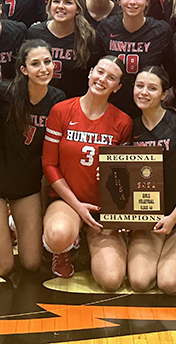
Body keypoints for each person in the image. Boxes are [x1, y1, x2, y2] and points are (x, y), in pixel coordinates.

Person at [41, 56, 133, 287]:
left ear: (117, 87)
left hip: (102, 205)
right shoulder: (61, 110)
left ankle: (89, 242)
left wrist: (121, 210)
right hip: (68, 200)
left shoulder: (123, 122)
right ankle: (65, 247)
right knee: (58, 235)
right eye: (100, 72)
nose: (102, 79)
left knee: (111, 280)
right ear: (90, 72)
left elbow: (122, 173)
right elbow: (49, 165)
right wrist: (78, 207)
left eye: (111, 78)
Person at [0, 40, 66, 276]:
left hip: (27, 187)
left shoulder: (58, 100)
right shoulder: (3, 94)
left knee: (32, 263)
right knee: (3, 267)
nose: (43, 69)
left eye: (47, 62)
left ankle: (8, 229)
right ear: (23, 69)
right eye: (35, 64)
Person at [128, 67, 176, 294]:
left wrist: (173, 218)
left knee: (168, 283)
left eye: (152, 88)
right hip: (147, 218)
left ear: (163, 94)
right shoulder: (131, 126)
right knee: (140, 282)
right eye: (139, 86)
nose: (144, 92)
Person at [95, 0, 173, 117]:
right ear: (118, 0)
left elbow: (170, 72)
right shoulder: (106, 27)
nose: (132, 2)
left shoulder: (161, 30)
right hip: (112, 104)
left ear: (148, 0)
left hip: (147, 106)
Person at [27, 0, 104, 99]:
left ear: (78, 8)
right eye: (56, 1)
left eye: (68, 2)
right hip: (41, 102)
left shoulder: (89, 38)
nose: (61, 6)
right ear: (49, 5)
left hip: (74, 103)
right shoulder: (34, 33)